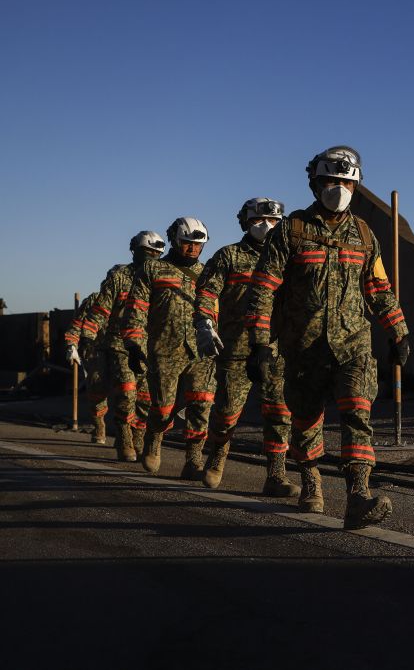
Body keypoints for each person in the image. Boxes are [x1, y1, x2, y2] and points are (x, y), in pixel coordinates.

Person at [243, 146, 410, 528]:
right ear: (316, 183)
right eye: (332, 181)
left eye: (346, 182)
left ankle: (358, 495)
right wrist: (259, 342)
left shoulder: (365, 234)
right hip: (302, 347)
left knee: (357, 413)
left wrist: (398, 331)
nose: (339, 188)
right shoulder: (293, 229)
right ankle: (311, 479)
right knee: (306, 419)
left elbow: (379, 288)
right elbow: (264, 287)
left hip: (352, 344)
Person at [196, 197, 298, 497]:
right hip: (236, 348)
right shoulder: (229, 256)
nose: (267, 226)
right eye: (259, 220)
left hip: (275, 348)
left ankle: (276, 476)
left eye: (274, 221)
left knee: (279, 413)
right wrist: (204, 322)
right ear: (245, 222)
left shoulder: (288, 258)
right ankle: (216, 458)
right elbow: (206, 291)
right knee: (227, 411)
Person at [122, 217, 216, 477]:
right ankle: (154, 437)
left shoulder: (208, 273)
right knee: (163, 406)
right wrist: (133, 343)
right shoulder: (152, 270)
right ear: (175, 240)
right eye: (187, 243)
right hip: (164, 350)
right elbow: (136, 309)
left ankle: (193, 460)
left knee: (202, 403)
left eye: (198, 245)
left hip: (201, 351)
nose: (193, 249)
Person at [80, 231, 165, 460]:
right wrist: (87, 336)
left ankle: (138, 436)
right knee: (127, 394)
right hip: (120, 344)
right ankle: (125, 437)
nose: (153, 257)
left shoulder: (162, 277)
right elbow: (101, 309)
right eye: (149, 252)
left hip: (152, 347)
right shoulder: (119, 277)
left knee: (147, 399)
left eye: (157, 253)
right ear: (135, 250)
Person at [64, 292, 109, 444]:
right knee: (97, 389)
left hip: (124, 351)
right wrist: (72, 345)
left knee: (129, 394)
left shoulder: (134, 296)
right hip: (96, 350)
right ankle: (99, 425)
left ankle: (127, 435)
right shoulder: (95, 299)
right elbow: (77, 324)